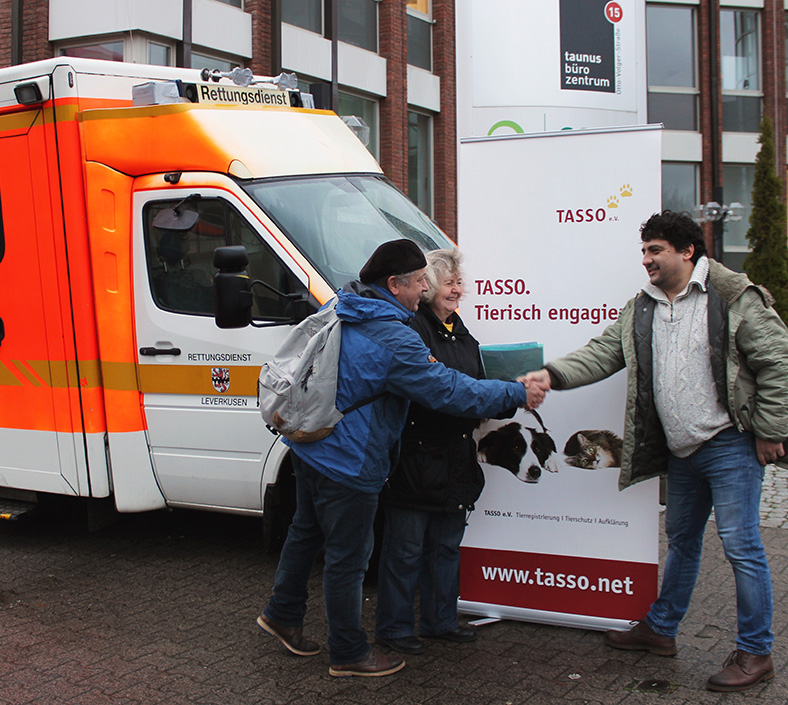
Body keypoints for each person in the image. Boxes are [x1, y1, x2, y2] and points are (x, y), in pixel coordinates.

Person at [522, 210, 788, 692]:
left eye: (655, 250)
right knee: (682, 541)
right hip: (682, 450)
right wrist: (551, 375)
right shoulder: (642, 306)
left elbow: (776, 359)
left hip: (730, 443)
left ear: (687, 251)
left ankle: (756, 651)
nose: (646, 259)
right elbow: (603, 353)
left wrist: (771, 430)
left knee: (741, 546)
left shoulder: (731, 295)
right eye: (644, 250)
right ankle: (661, 630)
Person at [257, 239, 546, 678]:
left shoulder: (347, 305)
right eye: (417, 284)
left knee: (305, 532)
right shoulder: (393, 334)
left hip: (311, 444)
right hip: (349, 461)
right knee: (348, 558)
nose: (421, 293)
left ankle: (283, 613)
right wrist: (514, 392)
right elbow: (446, 390)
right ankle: (350, 653)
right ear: (394, 285)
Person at [375, 249, 510, 655]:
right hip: (416, 458)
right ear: (427, 285)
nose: (457, 289)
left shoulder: (461, 330)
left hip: (455, 457)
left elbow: (475, 383)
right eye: (449, 281)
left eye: (459, 282)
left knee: (447, 546)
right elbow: (436, 390)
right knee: (406, 550)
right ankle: (395, 630)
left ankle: (440, 620)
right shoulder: (412, 329)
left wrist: (503, 395)